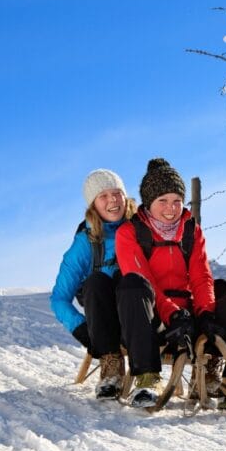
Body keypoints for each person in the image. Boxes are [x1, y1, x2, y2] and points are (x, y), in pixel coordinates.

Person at [115, 157, 226, 408]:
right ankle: (147, 379)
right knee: (133, 284)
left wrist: (206, 314)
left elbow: (201, 277)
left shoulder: (191, 230)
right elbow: (144, 280)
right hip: (150, 317)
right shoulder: (130, 233)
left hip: (189, 316)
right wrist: (173, 314)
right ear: (148, 201)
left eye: (177, 200)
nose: (171, 208)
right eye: (162, 201)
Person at [51, 169, 137, 399]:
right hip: (105, 319)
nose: (112, 200)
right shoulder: (85, 242)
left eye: (117, 193)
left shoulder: (142, 228)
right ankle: (111, 365)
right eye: (103, 196)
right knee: (96, 281)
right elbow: (59, 298)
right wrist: (84, 331)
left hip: (141, 314)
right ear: (93, 205)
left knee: (129, 279)